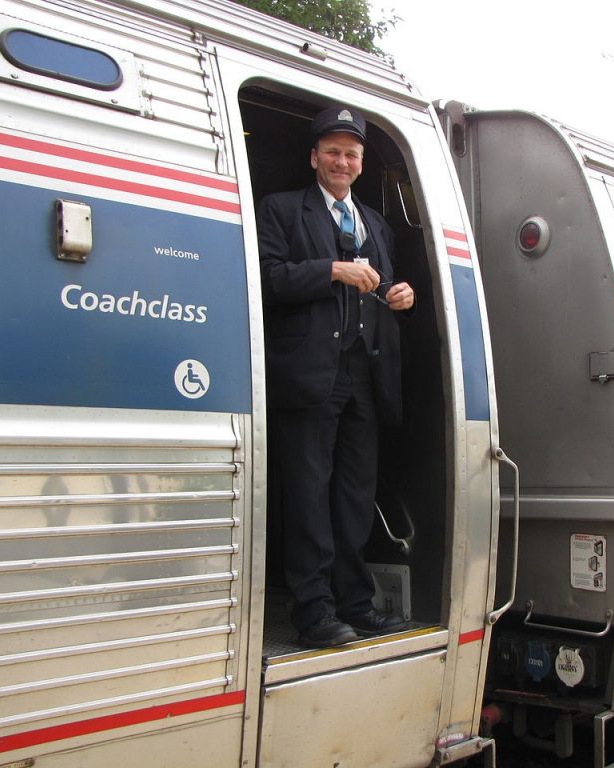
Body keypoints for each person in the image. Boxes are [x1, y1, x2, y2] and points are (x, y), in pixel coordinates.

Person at [257, 106, 415, 648]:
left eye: (351, 153)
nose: (342, 161)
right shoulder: (280, 210)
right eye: (332, 151)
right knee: (307, 497)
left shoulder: (376, 222)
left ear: (361, 162)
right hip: (307, 376)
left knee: (353, 497)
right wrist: (331, 270)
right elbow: (268, 277)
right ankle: (313, 611)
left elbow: (384, 288)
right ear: (314, 157)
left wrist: (401, 295)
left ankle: (355, 604)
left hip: (365, 378)